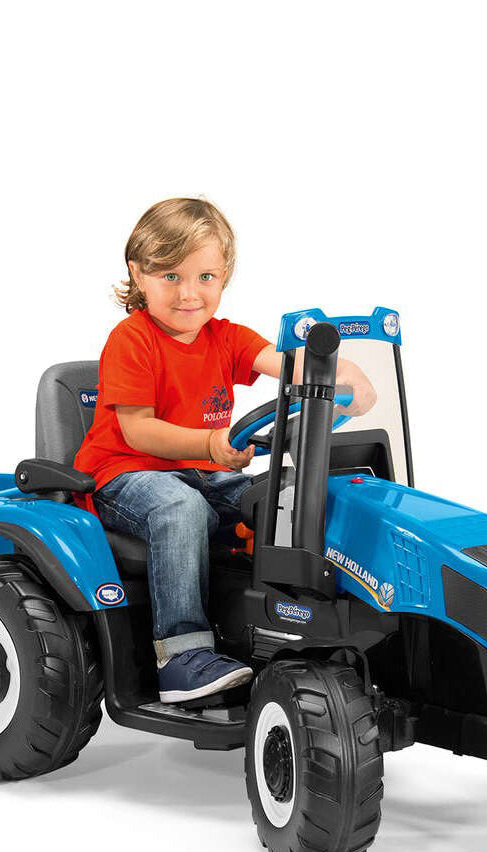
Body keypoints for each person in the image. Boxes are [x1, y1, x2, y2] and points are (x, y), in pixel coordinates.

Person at [74, 198, 375, 704]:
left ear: (225, 275)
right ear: (138, 274)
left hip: (203, 472)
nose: (189, 294)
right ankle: (181, 654)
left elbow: (288, 362)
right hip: (123, 475)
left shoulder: (225, 338)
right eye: (170, 276)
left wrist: (348, 377)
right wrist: (212, 444)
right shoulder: (132, 340)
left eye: (205, 276)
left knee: (279, 499)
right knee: (179, 507)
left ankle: (294, 627)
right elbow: (139, 433)